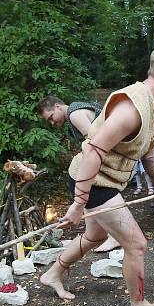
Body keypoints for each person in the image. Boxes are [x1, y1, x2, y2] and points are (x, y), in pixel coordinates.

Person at [36, 39, 154, 306]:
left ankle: (53, 273)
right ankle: (138, 305)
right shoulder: (132, 106)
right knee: (136, 244)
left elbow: (147, 155)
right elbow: (93, 149)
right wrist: (78, 203)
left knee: (95, 235)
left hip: (102, 182)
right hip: (94, 182)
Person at [37, 96, 121, 253]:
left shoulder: (74, 113)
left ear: (57, 106)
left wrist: (87, 167)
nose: (52, 123)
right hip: (108, 154)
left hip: (109, 156)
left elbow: (94, 143)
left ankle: (114, 236)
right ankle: (97, 234)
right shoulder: (74, 113)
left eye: (51, 117)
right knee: (89, 197)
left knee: (98, 194)